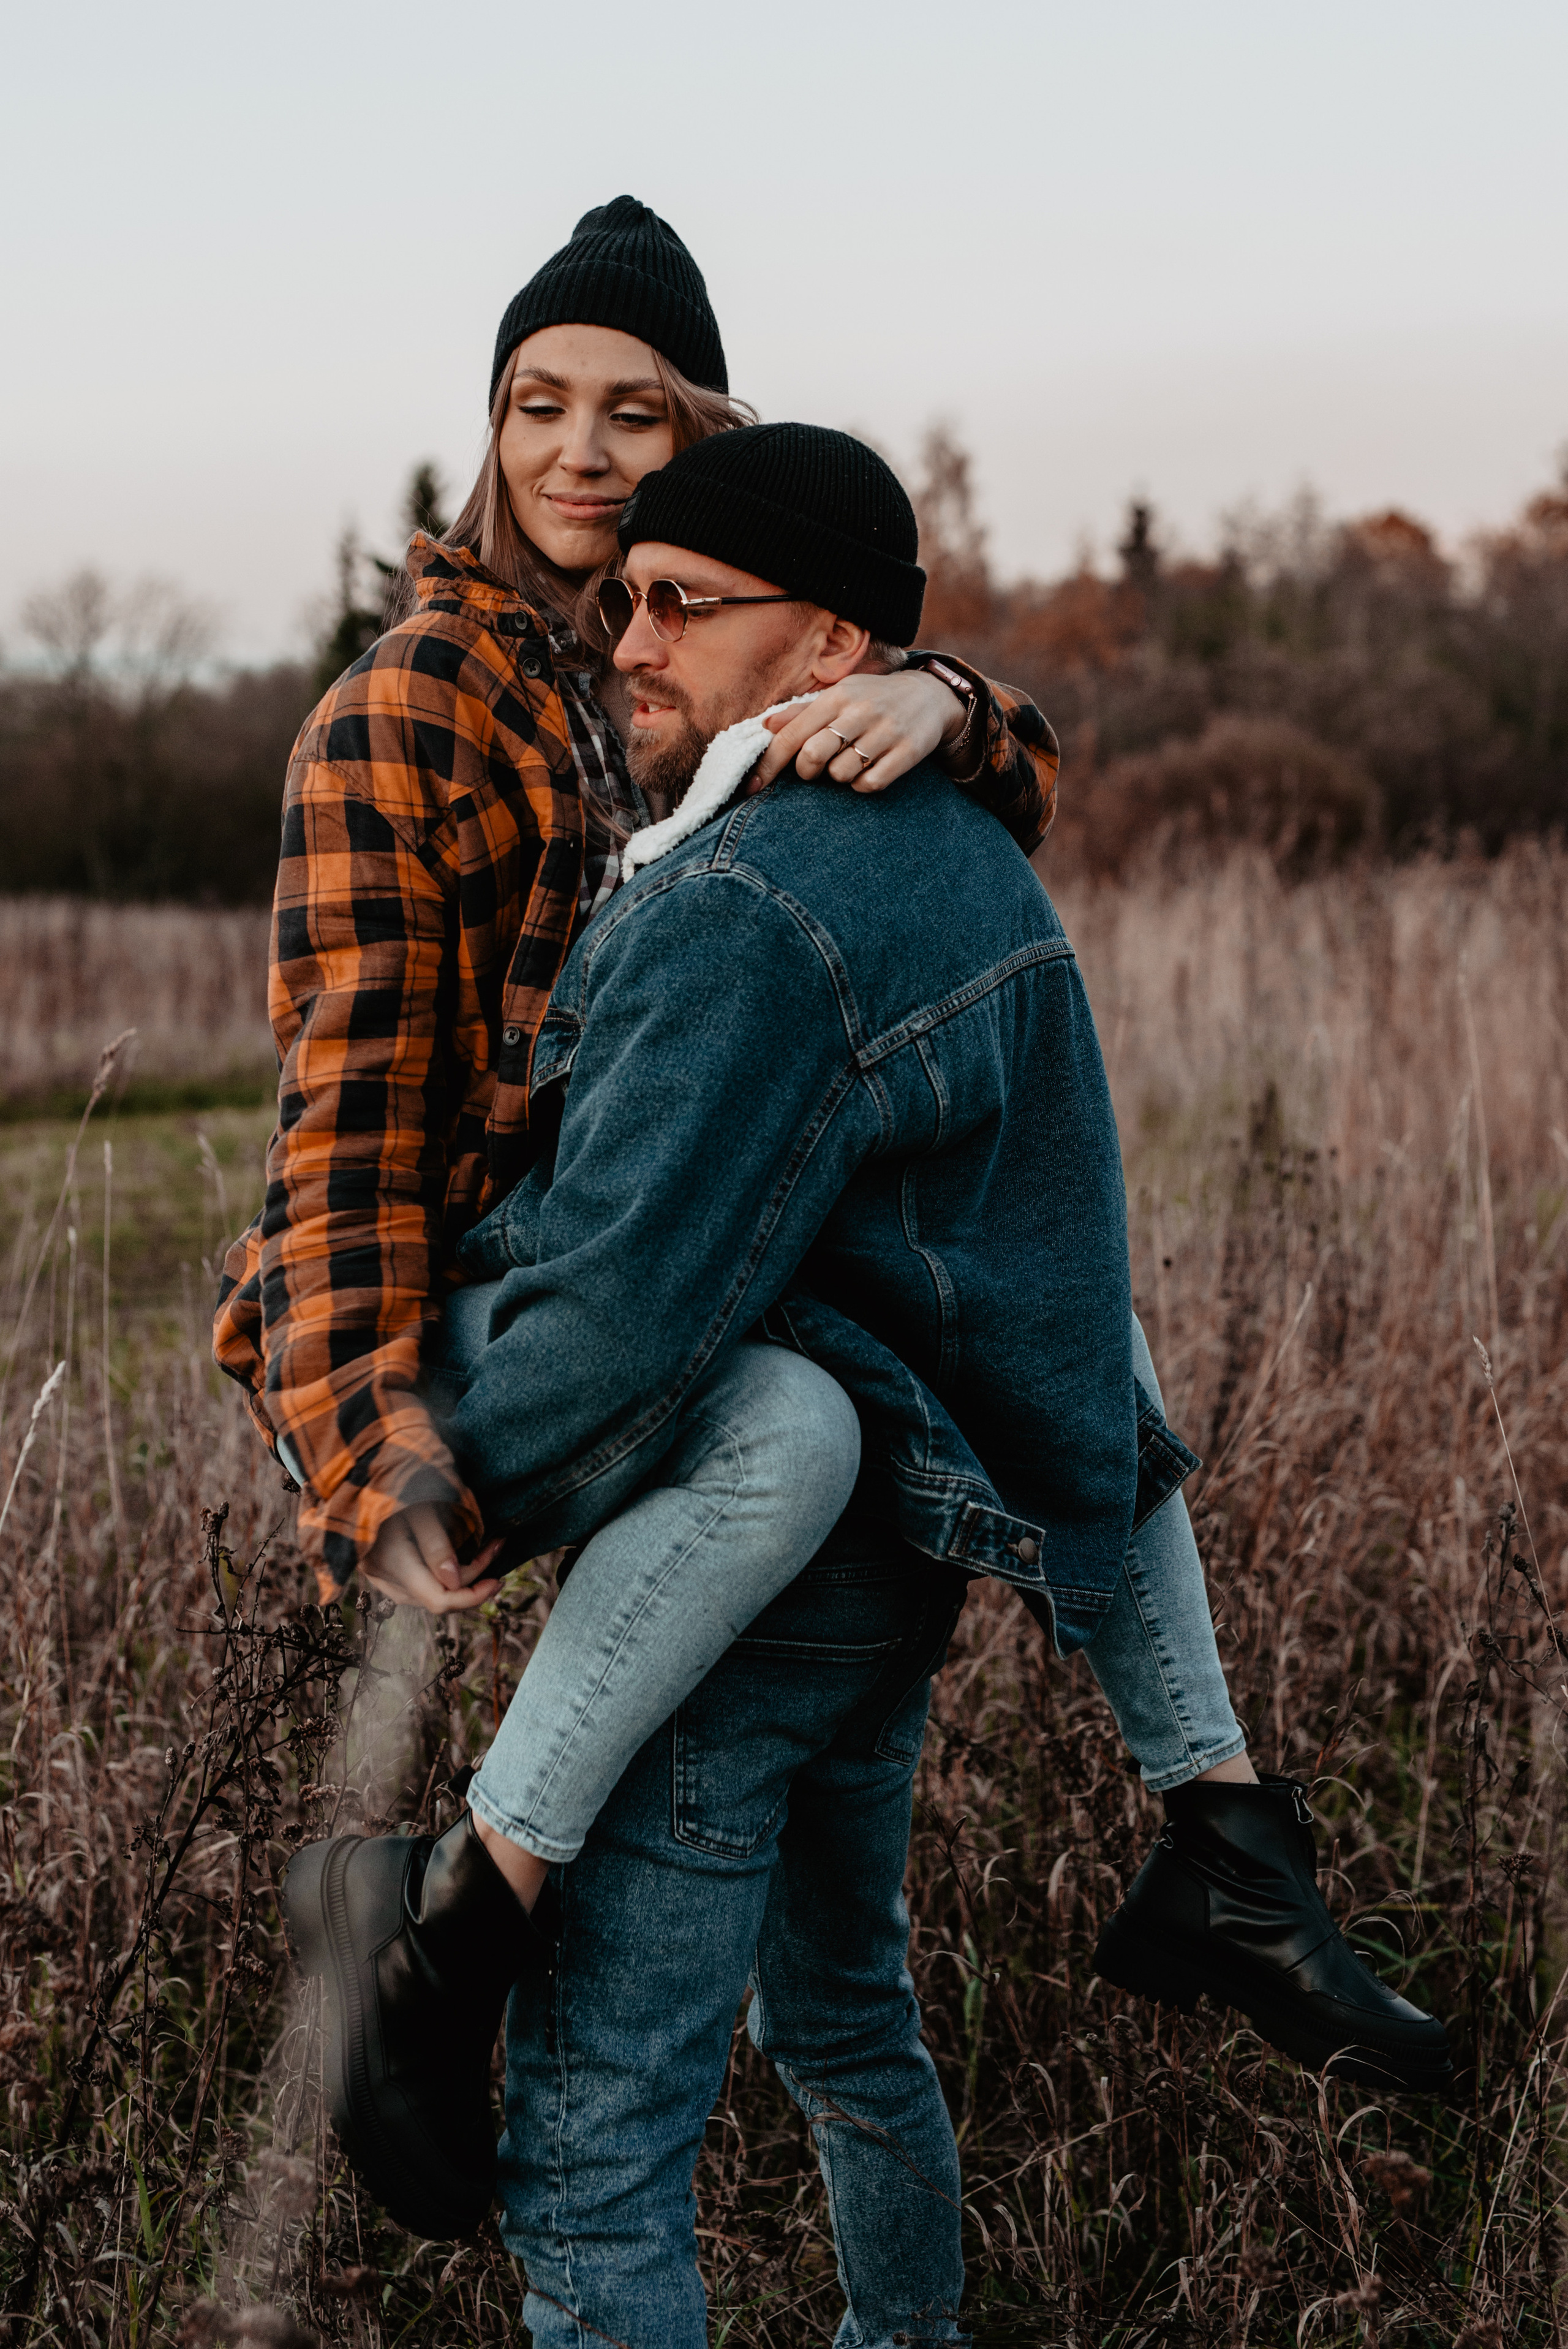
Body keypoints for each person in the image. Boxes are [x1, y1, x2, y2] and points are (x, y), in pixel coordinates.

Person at [284, 429, 1451, 2332]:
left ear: (824, 645)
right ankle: (1202, 1888)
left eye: (681, 605)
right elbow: (1070, 1316)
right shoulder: (956, 847)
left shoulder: (757, 901)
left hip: (757, 1587)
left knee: (593, 2143)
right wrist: (959, 699)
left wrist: (412, 1480)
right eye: (623, 599)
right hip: (897, 1570)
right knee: (846, 2023)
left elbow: (624, 1323)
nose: (631, 640)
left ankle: (440, 1918)